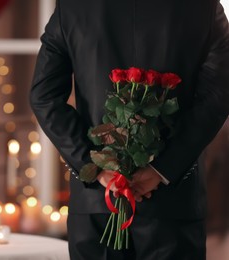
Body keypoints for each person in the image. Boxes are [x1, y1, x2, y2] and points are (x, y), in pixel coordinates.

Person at [30, 1, 229, 259]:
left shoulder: (73, 6)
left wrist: (96, 166)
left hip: (97, 203)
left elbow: (43, 97)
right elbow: (219, 95)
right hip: (174, 204)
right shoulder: (203, 6)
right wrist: (163, 169)